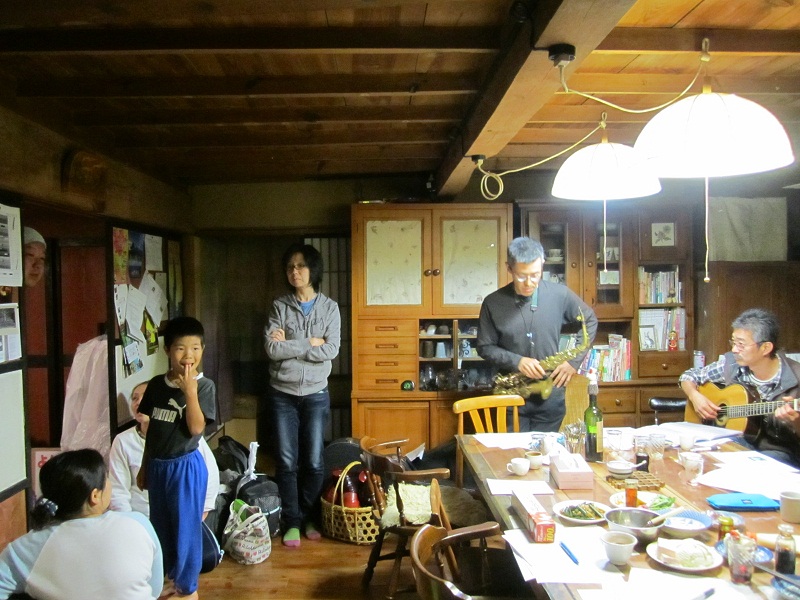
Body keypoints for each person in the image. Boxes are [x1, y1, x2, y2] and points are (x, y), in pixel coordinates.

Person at [0, 448, 163, 600]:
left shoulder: (25, 548)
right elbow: (155, 589)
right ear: (95, 496)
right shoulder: (138, 523)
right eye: (106, 478)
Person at [477, 236, 597, 432]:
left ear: (542, 264)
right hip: (511, 395)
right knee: (514, 450)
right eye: (521, 276)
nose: (529, 283)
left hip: (550, 397)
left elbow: (590, 320)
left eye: (535, 275)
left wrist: (573, 362)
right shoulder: (492, 302)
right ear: (509, 268)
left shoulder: (560, 294)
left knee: (545, 450)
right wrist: (518, 361)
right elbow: (484, 347)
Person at [264, 243, 341, 548]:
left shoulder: (329, 308)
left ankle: (309, 517)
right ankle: (291, 521)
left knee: (314, 460)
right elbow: (272, 350)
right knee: (286, 461)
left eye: (300, 266)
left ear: (313, 270)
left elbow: (332, 349)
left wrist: (290, 345)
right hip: (282, 393)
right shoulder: (279, 306)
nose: (294, 272)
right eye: (290, 267)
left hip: (316, 392)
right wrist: (309, 342)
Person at [138, 317, 216, 600]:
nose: (188, 356)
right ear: (167, 351)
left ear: (202, 350)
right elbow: (153, 431)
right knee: (161, 526)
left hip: (185, 468)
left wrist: (190, 393)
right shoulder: (156, 385)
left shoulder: (204, 387)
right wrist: (145, 466)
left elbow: (196, 429)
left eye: (195, 348)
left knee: (186, 531)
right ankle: (169, 577)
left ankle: (187, 587)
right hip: (158, 466)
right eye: (181, 348)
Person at [680, 307, 800, 467]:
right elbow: (689, 376)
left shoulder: (795, 377)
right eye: (733, 342)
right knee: (693, 457)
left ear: (766, 348)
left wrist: (796, 421)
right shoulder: (731, 365)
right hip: (736, 442)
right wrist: (695, 396)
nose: (734, 350)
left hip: (779, 452)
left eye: (741, 344)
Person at [108, 381, 220, 519]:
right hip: (140, 518)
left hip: (180, 514)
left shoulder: (183, 434)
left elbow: (211, 473)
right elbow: (118, 490)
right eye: (135, 398)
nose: (139, 402)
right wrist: (130, 523)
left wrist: (202, 512)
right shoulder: (123, 441)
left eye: (145, 397)